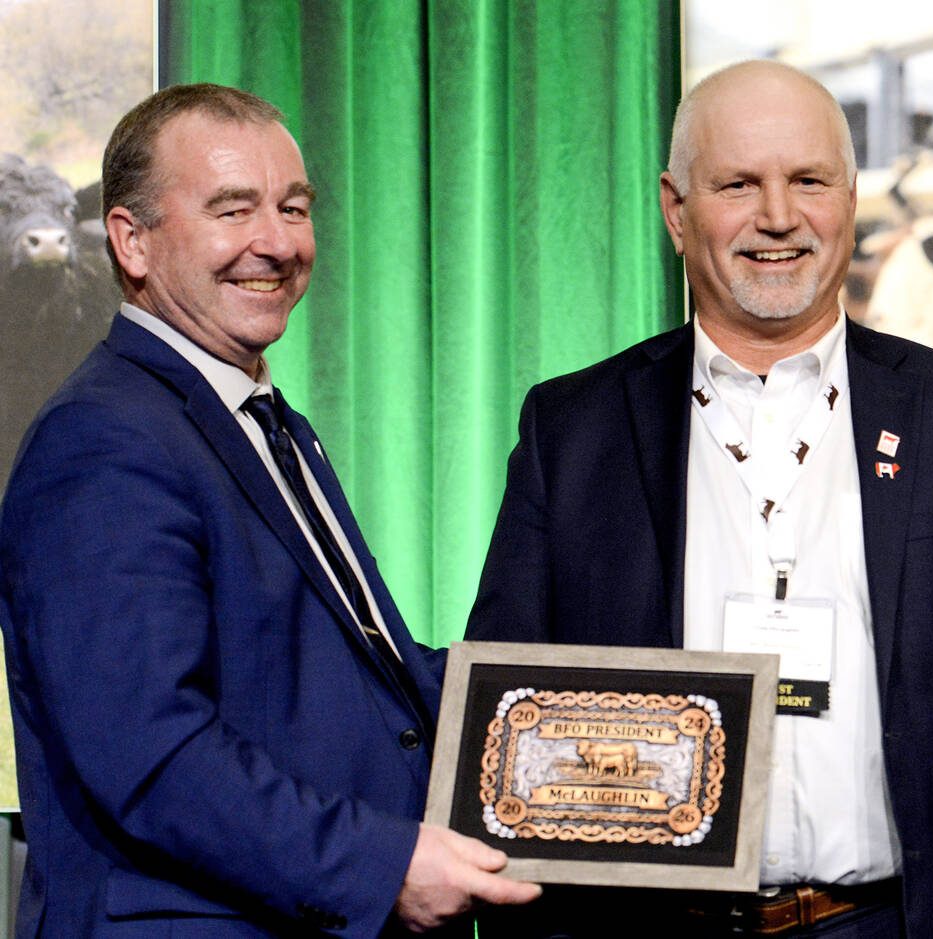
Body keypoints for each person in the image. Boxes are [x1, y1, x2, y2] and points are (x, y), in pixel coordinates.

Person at [465, 60, 933, 938]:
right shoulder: (571, 429)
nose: (778, 215)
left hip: (901, 922)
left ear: (848, 199)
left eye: (809, 180)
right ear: (676, 210)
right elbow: (507, 725)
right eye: (738, 184)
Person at [0, 83, 539, 938]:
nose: (278, 242)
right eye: (232, 209)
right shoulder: (101, 441)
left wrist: (602, 703)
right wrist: (380, 867)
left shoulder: (259, 421)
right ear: (132, 241)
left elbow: (353, 678)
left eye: (294, 207)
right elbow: (151, 756)